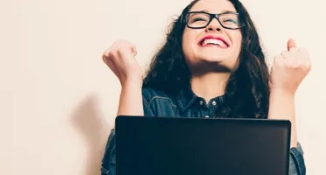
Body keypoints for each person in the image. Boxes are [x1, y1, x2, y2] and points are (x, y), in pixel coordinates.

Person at [100, 0, 310, 174]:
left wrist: (284, 92)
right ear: (179, 39)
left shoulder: (264, 111)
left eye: (229, 20)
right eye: (199, 19)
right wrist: (130, 81)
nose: (214, 26)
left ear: (245, 42)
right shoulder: (150, 103)